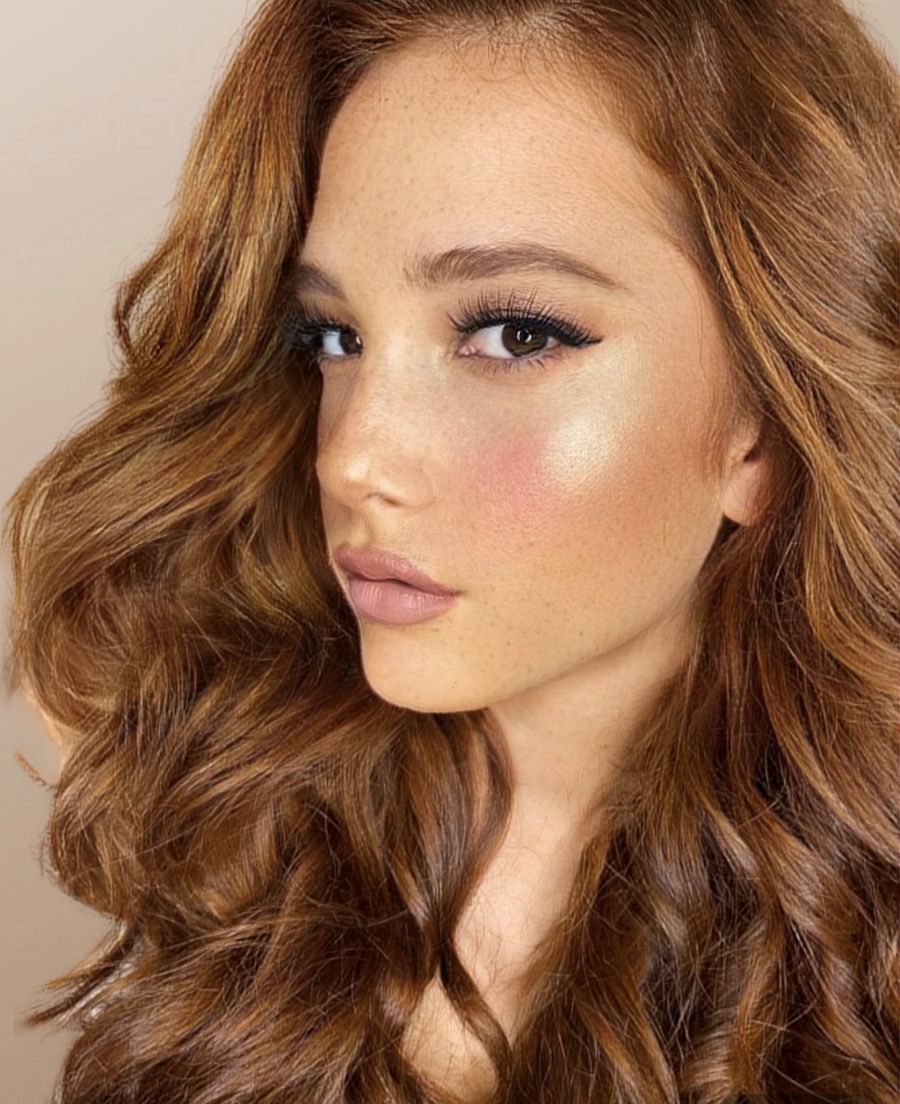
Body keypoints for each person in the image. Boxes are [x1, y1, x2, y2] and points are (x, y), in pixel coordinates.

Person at [4, 1, 897, 1102]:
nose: (353, 459)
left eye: (515, 333)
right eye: (333, 337)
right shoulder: (222, 819)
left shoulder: (867, 959)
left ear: (761, 430)